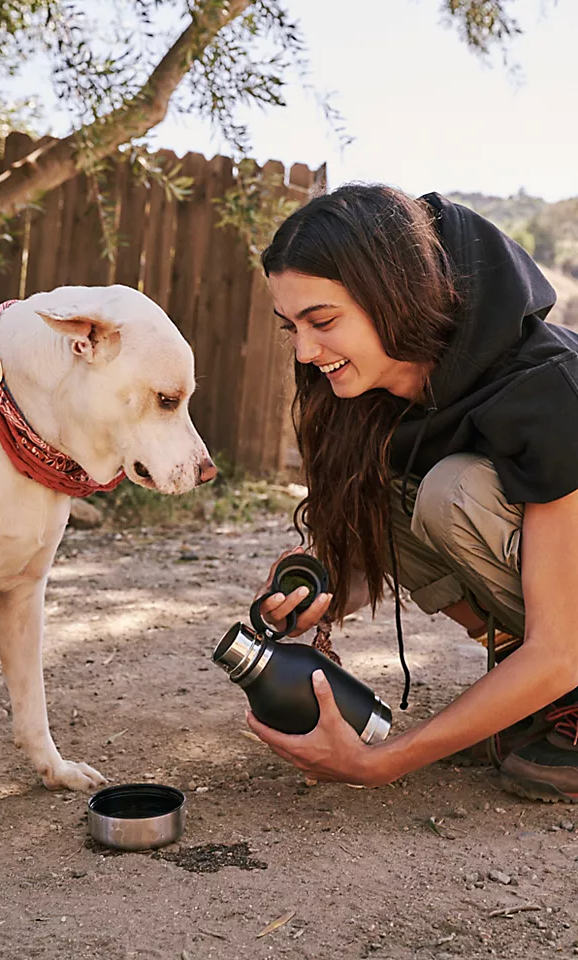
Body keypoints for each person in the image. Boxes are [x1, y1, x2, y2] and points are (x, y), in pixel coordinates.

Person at [246, 182, 578, 803]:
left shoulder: (550, 392)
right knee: (391, 494)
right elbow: (384, 549)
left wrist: (380, 762)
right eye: (291, 326)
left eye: (323, 321)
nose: (305, 350)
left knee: (452, 491)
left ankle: (555, 693)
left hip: (568, 645)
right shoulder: (370, 395)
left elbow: (562, 648)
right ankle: (534, 697)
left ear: (394, 295)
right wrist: (322, 594)